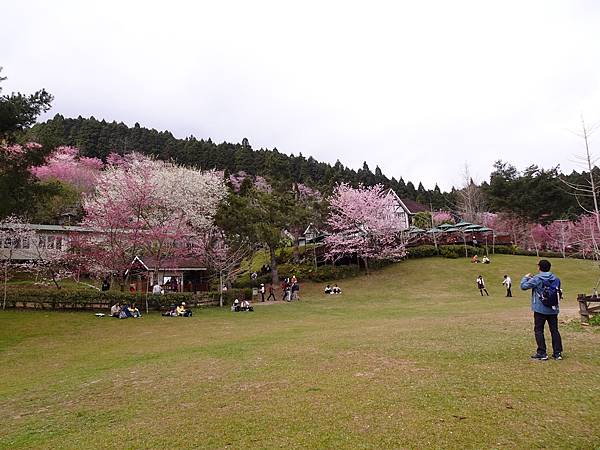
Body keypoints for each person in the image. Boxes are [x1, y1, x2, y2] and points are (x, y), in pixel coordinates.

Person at [520, 259, 563, 361]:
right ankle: (557, 353)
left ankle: (542, 353)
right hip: (553, 309)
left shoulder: (537, 278)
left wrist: (525, 277)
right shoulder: (556, 278)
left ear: (539, 267)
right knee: (554, 330)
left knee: (539, 330)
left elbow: (523, 286)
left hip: (540, 309)